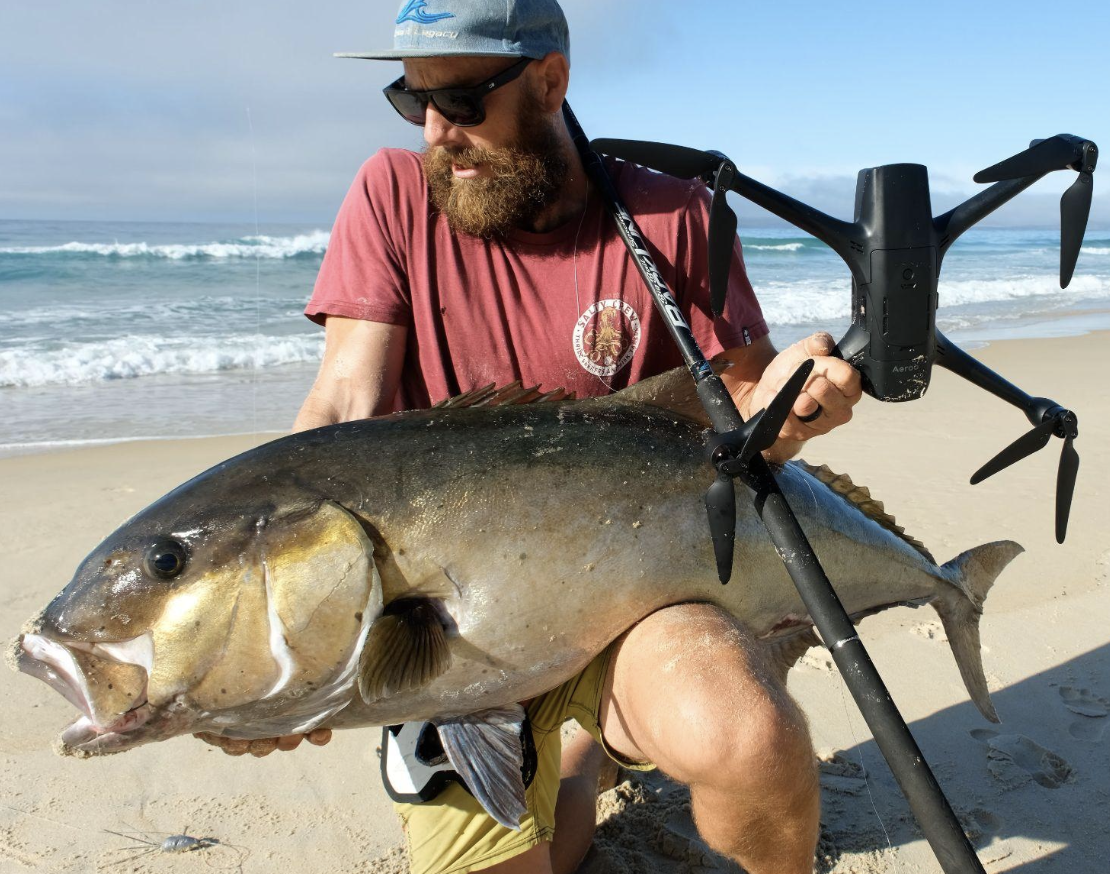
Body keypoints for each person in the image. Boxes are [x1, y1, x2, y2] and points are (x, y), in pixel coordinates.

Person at [200, 2, 863, 872]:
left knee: (751, 743)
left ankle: (604, 731)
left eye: (466, 101)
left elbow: (742, 408)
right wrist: (284, 637)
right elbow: (339, 411)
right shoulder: (393, 196)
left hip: (625, 601)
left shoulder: (673, 215)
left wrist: (793, 401)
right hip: (440, 628)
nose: (440, 131)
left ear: (549, 82)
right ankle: (581, 768)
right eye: (413, 100)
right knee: (548, 853)